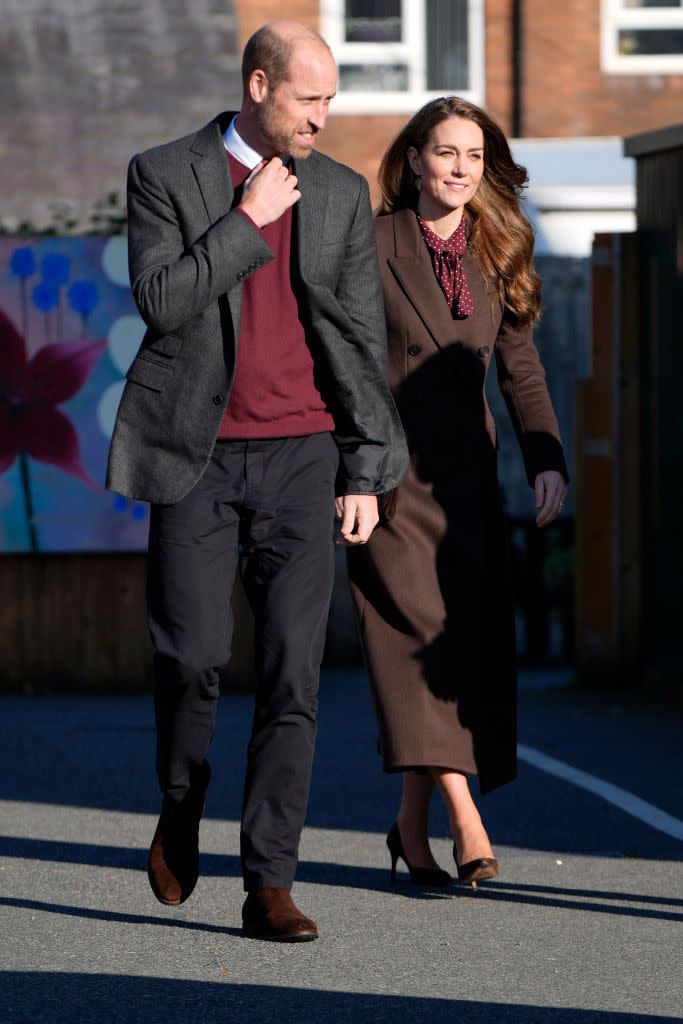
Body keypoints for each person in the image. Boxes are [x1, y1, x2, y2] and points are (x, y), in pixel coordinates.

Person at [106, 21, 408, 941]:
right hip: (194, 454)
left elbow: (358, 337)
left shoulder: (342, 191)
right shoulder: (164, 173)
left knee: (293, 674)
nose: (322, 118)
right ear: (258, 84)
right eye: (308, 100)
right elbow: (160, 302)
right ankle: (180, 802)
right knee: (189, 658)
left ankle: (270, 880)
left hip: (304, 454)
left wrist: (365, 464)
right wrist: (247, 222)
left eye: (328, 102)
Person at [347, 96, 568, 888]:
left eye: (472, 157)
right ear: (412, 160)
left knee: (452, 646)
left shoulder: (499, 246)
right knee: (412, 637)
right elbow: (344, 366)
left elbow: (521, 368)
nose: (459, 169)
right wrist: (353, 471)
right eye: (444, 153)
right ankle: (463, 812)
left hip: (465, 479)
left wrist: (545, 457)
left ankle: (409, 829)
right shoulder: (369, 244)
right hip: (388, 477)